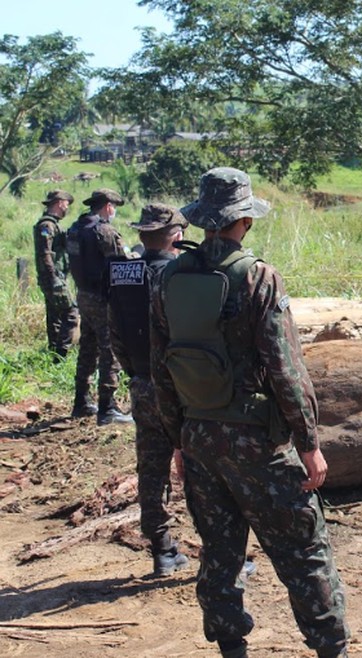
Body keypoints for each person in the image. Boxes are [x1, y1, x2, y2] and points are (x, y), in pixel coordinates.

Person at [149, 168, 349, 658]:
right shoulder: (258, 277)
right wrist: (309, 445)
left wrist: (179, 439)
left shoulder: (169, 276)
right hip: (257, 442)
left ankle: (232, 647)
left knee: (219, 552)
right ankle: (331, 648)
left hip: (199, 438)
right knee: (304, 552)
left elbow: (160, 371)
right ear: (244, 220)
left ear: (201, 220)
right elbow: (286, 369)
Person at [107, 204, 191, 577]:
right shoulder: (177, 275)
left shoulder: (123, 275)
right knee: (201, 468)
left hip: (142, 384)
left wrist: (136, 374)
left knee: (151, 469)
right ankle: (224, 552)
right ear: (176, 235)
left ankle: (162, 548)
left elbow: (115, 333)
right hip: (181, 386)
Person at [66, 188, 134, 425]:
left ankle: (81, 400)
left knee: (87, 347)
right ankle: (107, 406)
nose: (113, 211)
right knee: (110, 349)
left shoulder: (75, 229)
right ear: (107, 206)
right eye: (113, 207)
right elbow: (121, 264)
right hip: (103, 298)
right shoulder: (104, 231)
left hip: (83, 295)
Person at [33, 189, 79, 359]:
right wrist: (53, 277)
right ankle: (62, 352)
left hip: (53, 276)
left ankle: (54, 351)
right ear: (60, 203)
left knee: (54, 314)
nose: (67, 207)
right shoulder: (47, 225)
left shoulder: (52, 224)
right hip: (53, 277)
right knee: (71, 312)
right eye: (66, 204)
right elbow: (45, 253)